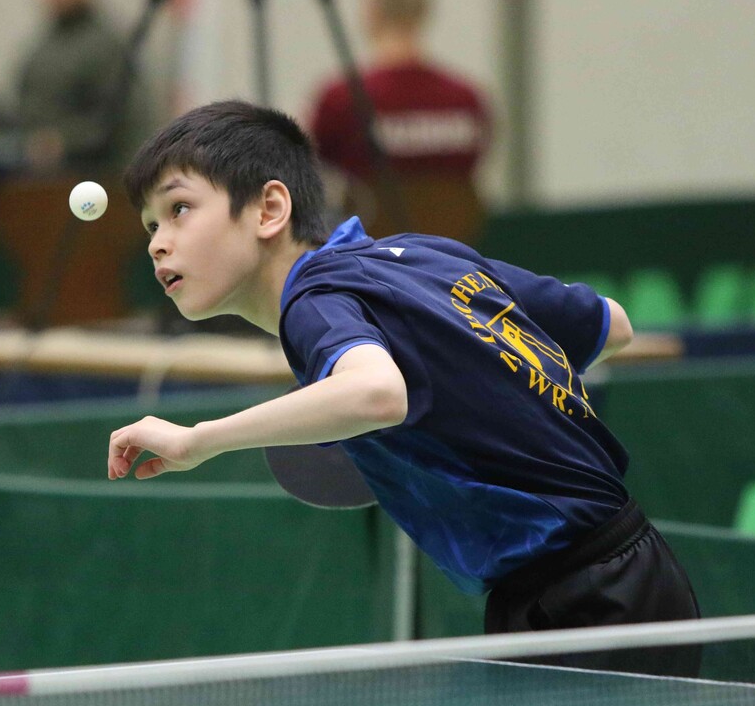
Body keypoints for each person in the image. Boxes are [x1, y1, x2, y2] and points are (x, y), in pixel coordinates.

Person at [106, 101, 701, 677]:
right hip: (618, 573)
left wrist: (201, 440)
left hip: (587, 600)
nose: (158, 241)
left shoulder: (313, 303)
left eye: (180, 209)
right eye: (151, 224)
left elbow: (376, 395)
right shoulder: (423, 258)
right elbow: (612, 325)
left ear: (269, 209)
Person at [308, 0, 491, 187]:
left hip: (366, 208)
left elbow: (306, 167)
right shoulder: (468, 102)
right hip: (451, 209)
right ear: (423, 11)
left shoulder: (340, 101)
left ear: (371, 12)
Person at [15, 0, 155, 171]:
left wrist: (62, 141)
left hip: (90, 171)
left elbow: (112, 121)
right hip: (33, 168)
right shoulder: (41, 47)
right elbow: (22, 108)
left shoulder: (106, 45)